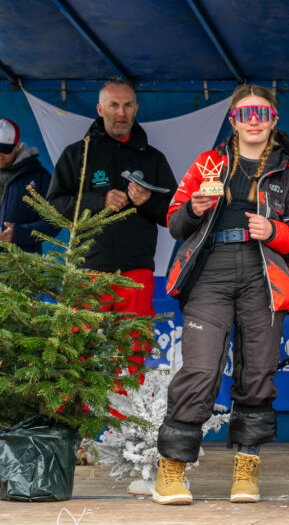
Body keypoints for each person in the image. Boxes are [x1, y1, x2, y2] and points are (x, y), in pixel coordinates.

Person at [154, 84, 289, 505]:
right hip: (210, 276)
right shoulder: (208, 163)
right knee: (201, 372)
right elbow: (174, 222)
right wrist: (195, 209)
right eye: (245, 113)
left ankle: (247, 468)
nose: (254, 119)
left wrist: (274, 231)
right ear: (233, 121)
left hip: (264, 278)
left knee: (257, 374)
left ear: (273, 119)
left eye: (261, 112)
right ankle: (171, 469)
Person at [47, 78, 176, 369]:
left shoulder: (154, 159)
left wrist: (147, 202)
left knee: (132, 353)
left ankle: (126, 414)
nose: (121, 112)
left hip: (137, 272)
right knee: (74, 352)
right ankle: (71, 414)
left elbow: (174, 215)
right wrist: (97, 201)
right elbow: (53, 207)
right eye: (114, 105)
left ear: (136, 108)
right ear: (99, 109)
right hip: (87, 269)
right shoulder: (76, 154)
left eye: (127, 105)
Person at [0, 118, 53, 253]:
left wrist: (19, 233)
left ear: (17, 145)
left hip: (24, 269)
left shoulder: (40, 177)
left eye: (4, 150)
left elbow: (53, 223)